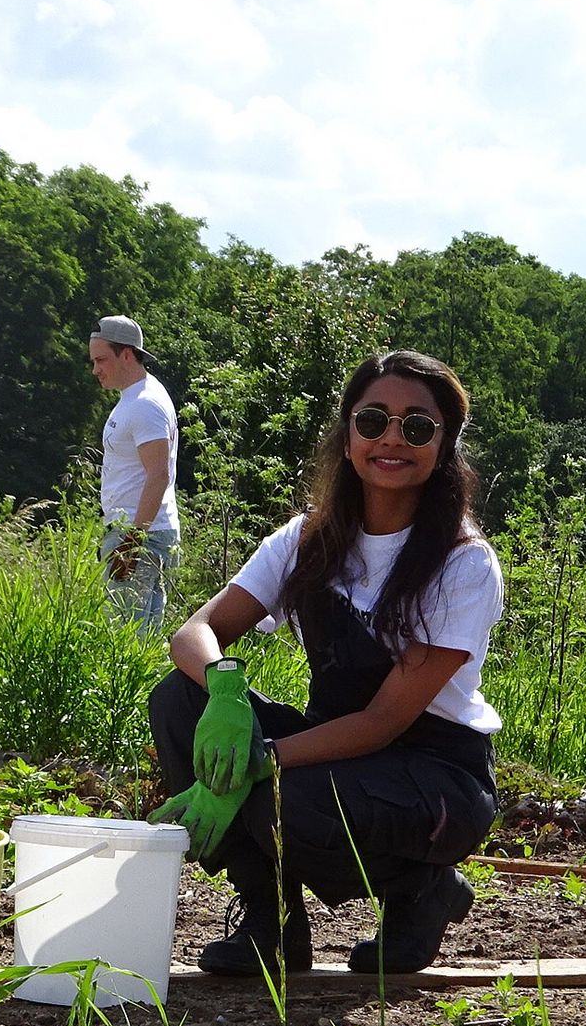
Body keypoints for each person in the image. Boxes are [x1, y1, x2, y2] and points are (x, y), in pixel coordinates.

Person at [150, 350, 503, 977]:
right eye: (373, 421)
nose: (392, 438)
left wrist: (262, 762)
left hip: (433, 772)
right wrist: (225, 689)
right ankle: (270, 924)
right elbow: (197, 633)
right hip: (339, 749)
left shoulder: (462, 563)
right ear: (347, 436)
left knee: (277, 800)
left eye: (417, 426)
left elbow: (384, 722)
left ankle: (421, 890)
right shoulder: (306, 538)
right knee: (180, 700)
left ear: (444, 446)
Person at [89, 315, 179, 628]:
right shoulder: (136, 398)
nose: (95, 370)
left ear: (127, 354)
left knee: (125, 638)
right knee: (143, 639)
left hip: (141, 535)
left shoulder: (145, 404)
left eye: (101, 360)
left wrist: (132, 542)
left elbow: (158, 475)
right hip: (141, 532)